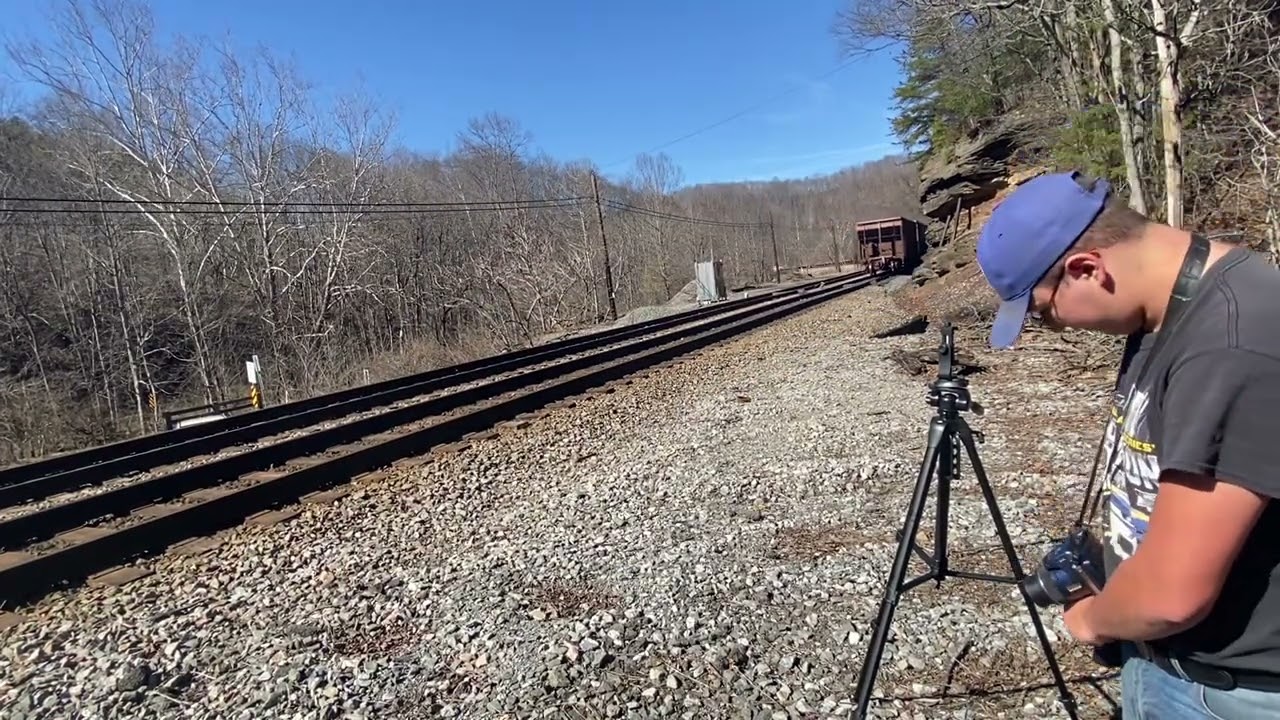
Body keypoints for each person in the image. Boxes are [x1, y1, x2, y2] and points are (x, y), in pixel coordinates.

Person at [975, 170, 1280, 719]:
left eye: (1044, 313)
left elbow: (1172, 595)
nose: (1056, 329)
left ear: (1087, 270)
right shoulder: (1167, 312)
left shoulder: (1230, 344)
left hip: (1225, 692)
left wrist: (1089, 621)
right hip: (1165, 659)